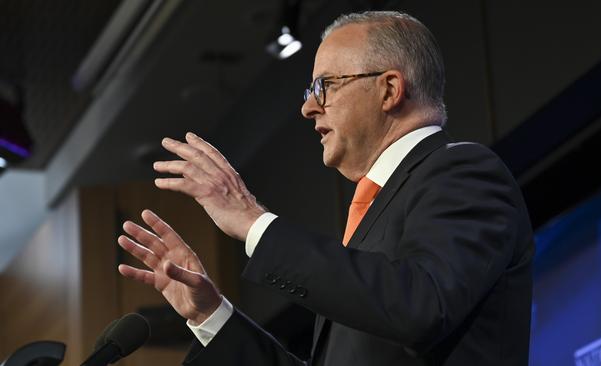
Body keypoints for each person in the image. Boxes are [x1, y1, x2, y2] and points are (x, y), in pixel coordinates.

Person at [117, 11, 534, 365]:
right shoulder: (375, 211)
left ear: (389, 89)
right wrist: (210, 313)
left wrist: (252, 221)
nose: (308, 106)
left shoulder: (463, 171)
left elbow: (421, 306)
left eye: (325, 86)